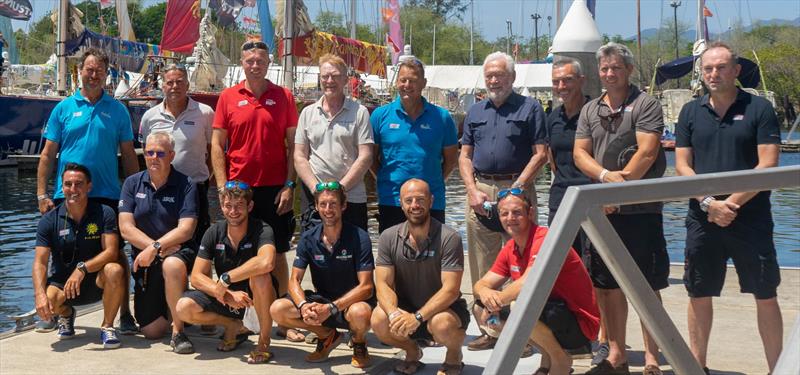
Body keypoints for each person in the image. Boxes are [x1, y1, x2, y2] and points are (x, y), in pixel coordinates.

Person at [675, 42, 783, 374]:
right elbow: (682, 165)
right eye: (707, 68)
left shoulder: (759, 108)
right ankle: (697, 367)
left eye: (721, 67)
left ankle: (777, 368)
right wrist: (709, 203)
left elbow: (768, 164)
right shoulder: (690, 112)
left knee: (765, 294)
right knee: (698, 292)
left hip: (750, 218)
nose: (714, 74)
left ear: (735, 71)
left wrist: (730, 204)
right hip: (702, 218)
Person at [573, 42, 669, 375]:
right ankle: (616, 353)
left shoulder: (646, 104)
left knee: (647, 286)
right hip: (602, 212)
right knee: (607, 286)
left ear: (628, 70)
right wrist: (602, 177)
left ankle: (653, 356)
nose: (610, 73)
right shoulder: (590, 109)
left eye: (616, 68)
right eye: (604, 68)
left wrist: (619, 190)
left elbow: (648, 152)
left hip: (640, 211)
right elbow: (580, 154)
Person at [36, 48, 138, 334]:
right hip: (66, 192)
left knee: (115, 257)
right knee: (62, 256)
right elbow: (47, 154)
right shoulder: (64, 108)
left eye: (99, 71)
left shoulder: (117, 109)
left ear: (106, 74)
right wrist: (42, 194)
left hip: (107, 193)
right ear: (79, 72)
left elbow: (129, 154)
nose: (93, 75)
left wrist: (133, 196)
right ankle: (62, 311)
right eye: (89, 70)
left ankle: (125, 313)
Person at [211, 40, 299, 340]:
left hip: (274, 188)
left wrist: (290, 184)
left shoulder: (284, 96)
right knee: (237, 255)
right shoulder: (228, 97)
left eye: (260, 59)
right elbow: (216, 145)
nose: (255, 64)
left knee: (279, 253)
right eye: (249, 60)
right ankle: (239, 316)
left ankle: (285, 319)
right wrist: (223, 187)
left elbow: (293, 146)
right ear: (242, 62)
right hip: (238, 190)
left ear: (268, 61)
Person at [458, 51, 547, 348]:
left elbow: (541, 154)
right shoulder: (475, 112)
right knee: (483, 264)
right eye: (490, 75)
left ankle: (520, 335)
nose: (494, 80)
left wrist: (518, 188)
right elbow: (465, 156)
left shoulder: (530, 108)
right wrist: (471, 190)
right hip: (482, 190)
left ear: (512, 77)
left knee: (521, 263)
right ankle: (489, 330)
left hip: (518, 190)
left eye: (500, 75)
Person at [472, 190, 600, 374]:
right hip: (552, 313)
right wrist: (485, 295)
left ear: (530, 213)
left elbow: (528, 283)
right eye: (504, 213)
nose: (510, 218)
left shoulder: (545, 239)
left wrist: (494, 304)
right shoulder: (511, 247)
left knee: (519, 305)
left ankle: (560, 359)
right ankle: (547, 360)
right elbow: (481, 284)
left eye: (517, 212)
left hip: (579, 325)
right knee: (478, 307)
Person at [545, 58, 610, 364]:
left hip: (591, 199)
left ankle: (603, 339)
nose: (561, 87)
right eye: (557, 81)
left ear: (581, 80)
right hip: (561, 200)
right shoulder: (553, 117)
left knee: (596, 269)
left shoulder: (596, 114)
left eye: (567, 80)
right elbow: (553, 160)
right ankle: (573, 335)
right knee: (561, 268)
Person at [270, 181, 374, 368]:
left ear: (343, 206)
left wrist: (332, 308)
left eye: (333, 204)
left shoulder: (360, 237)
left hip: (351, 303)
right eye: (323, 204)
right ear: (316, 207)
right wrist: (303, 306)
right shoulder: (308, 238)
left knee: (361, 312)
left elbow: (366, 287)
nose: (328, 209)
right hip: (322, 301)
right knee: (278, 309)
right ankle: (327, 336)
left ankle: (359, 343)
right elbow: (294, 280)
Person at [371, 179, 469, 375]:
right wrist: (393, 314)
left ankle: (454, 355)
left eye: (420, 199)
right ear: (400, 203)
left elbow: (450, 290)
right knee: (378, 319)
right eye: (409, 200)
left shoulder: (450, 238)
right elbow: (382, 283)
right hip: (406, 307)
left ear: (431, 201)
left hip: (444, 310)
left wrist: (417, 317)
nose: (414, 205)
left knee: (442, 324)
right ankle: (412, 351)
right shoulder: (388, 237)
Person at [176, 180, 279, 364]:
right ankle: (232, 325)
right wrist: (226, 292)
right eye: (228, 205)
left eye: (239, 205)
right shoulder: (213, 231)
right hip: (227, 297)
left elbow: (267, 261)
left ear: (250, 206)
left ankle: (264, 341)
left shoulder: (263, 229)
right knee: (183, 307)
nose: (233, 211)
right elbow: (197, 277)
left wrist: (225, 279)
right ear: (222, 206)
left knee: (260, 276)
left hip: (257, 299)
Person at [118, 132, 198, 353]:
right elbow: (126, 228)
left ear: (171, 155)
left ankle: (178, 332)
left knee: (171, 265)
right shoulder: (133, 183)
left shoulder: (186, 184)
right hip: (147, 259)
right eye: (149, 152)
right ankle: (180, 306)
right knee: (151, 332)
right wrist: (155, 249)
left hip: (177, 253)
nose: (154, 157)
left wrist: (155, 248)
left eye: (160, 153)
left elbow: (186, 229)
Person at [32, 163, 126, 348]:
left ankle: (107, 327)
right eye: (68, 184)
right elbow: (40, 263)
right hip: (63, 284)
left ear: (89, 186)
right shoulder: (49, 220)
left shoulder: (104, 213)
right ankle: (66, 314)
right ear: (62, 186)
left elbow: (111, 252)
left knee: (115, 269)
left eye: (79, 184)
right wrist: (39, 295)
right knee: (48, 301)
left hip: (96, 280)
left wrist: (82, 268)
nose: (73, 189)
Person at [370, 59, 458, 233]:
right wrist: (385, 179)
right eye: (403, 80)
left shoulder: (442, 117)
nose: (407, 85)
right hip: (392, 200)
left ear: (423, 83)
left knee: (431, 256)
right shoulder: (380, 116)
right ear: (397, 82)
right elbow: (371, 159)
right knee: (392, 257)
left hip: (431, 201)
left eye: (413, 80)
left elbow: (451, 161)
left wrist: (433, 182)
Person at [294, 54, 374, 232]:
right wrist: (317, 189)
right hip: (315, 197)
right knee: (314, 254)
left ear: (345, 79)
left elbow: (366, 156)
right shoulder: (307, 113)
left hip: (351, 198)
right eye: (325, 76)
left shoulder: (360, 113)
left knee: (354, 254)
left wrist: (340, 189)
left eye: (335, 76)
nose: (329, 81)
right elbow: (299, 156)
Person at [139, 63, 215, 243]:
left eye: (180, 82)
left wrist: (207, 178)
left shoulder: (205, 113)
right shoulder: (149, 116)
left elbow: (213, 151)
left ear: (188, 85)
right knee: (163, 240)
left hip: (196, 187)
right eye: (170, 82)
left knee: (198, 241)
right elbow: (145, 152)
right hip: (160, 190)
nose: (175, 86)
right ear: (163, 85)